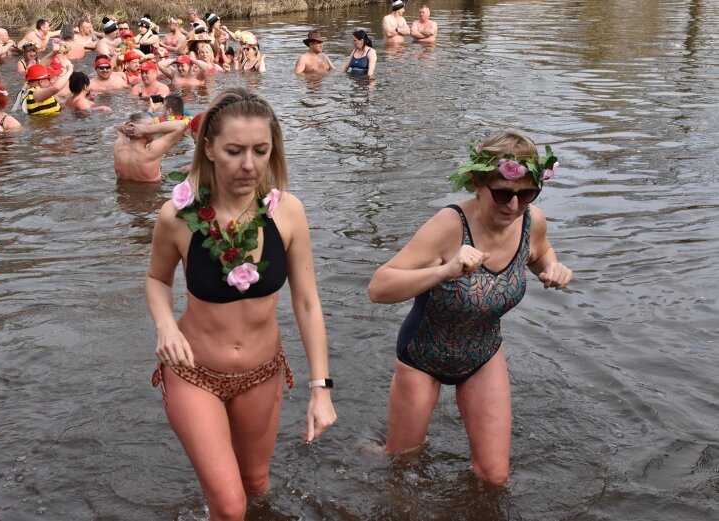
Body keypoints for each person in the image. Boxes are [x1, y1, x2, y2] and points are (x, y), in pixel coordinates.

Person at [146, 87, 336, 519]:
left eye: (260, 150)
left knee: (256, 486)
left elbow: (307, 303)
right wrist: (165, 326)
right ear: (209, 148)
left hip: (262, 373)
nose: (248, 165)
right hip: (194, 373)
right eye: (234, 150)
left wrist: (320, 389)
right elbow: (158, 280)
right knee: (230, 507)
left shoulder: (287, 213)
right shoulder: (176, 216)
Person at [368, 131, 572, 485]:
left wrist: (552, 269)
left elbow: (538, 253)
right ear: (477, 184)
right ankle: (367, 451)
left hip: (483, 353)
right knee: (402, 467)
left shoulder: (531, 220)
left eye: (526, 194)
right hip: (423, 355)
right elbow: (379, 287)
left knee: (493, 477)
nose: (514, 205)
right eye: (503, 194)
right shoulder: (449, 226)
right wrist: (445, 270)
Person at [113, 112, 187, 182]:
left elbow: (118, 128)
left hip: (122, 193)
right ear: (145, 132)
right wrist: (146, 129)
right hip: (151, 193)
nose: (153, 131)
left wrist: (128, 126)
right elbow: (181, 125)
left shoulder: (119, 145)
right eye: (151, 126)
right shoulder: (151, 151)